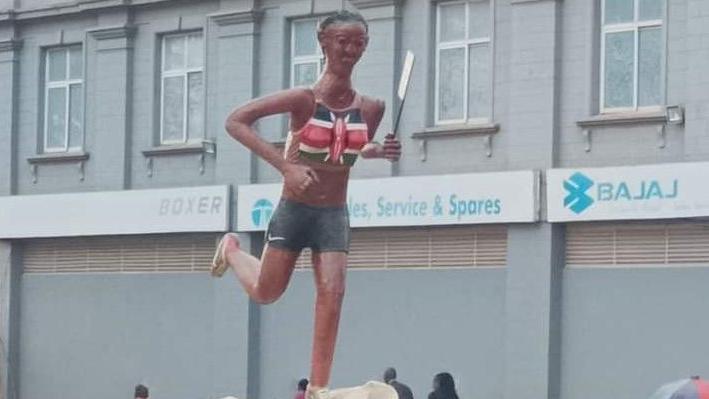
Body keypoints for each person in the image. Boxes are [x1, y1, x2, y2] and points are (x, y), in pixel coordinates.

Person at [210, 9, 401, 399]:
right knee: (267, 292)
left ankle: (319, 387)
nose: (350, 50)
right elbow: (235, 121)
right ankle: (231, 250)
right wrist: (286, 168)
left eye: (358, 42)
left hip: (334, 211)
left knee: (334, 290)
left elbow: (353, 144)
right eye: (342, 41)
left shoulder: (372, 107)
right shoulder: (302, 100)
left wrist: (378, 151)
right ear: (324, 43)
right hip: (295, 209)